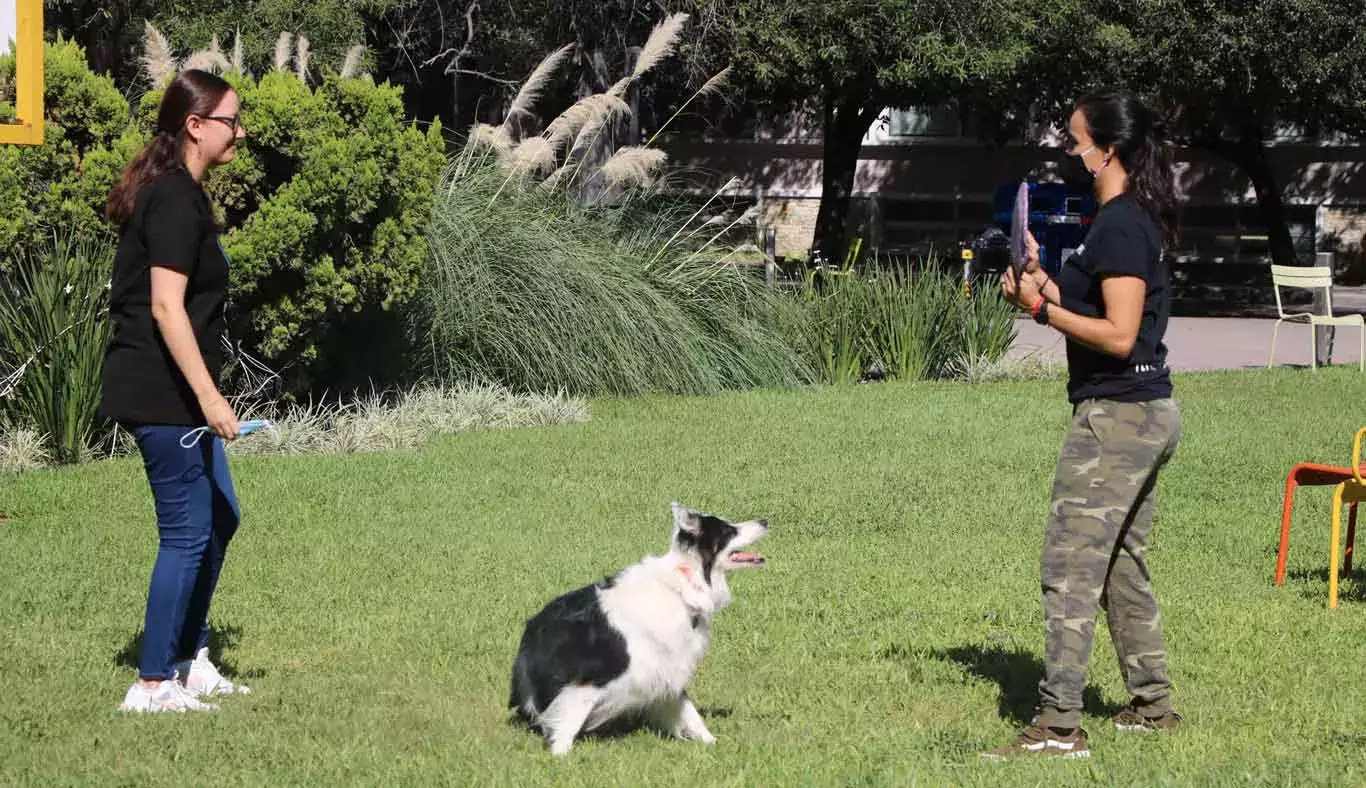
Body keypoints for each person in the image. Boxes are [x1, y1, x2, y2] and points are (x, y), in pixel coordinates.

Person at [985, 88, 1183, 759]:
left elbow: (1121, 334)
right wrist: (1036, 280)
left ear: (1110, 150)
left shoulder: (1123, 223)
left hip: (1120, 416)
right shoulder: (1119, 222)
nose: (1072, 153)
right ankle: (1153, 707)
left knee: (1069, 567)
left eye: (1078, 142)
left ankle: (1059, 726)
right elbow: (1085, 301)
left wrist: (1041, 313)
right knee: (1122, 565)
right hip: (1143, 412)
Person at [103, 69, 251, 713]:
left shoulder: (186, 196)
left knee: (220, 518)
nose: (240, 133)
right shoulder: (170, 198)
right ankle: (152, 682)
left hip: (182, 396)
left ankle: (189, 662)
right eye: (230, 121)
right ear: (195, 125)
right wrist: (211, 398)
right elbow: (166, 308)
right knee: (187, 532)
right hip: (160, 394)